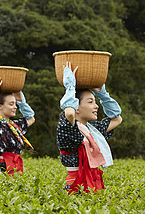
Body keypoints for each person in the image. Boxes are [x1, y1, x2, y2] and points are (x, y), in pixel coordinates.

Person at [56, 61, 123, 194]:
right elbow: (69, 113)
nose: (96, 106)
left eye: (95, 102)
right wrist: (70, 87)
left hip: (93, 185)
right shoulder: (68, 128)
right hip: (76, 188)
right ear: (77, 108)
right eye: (90, 102)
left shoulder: (92, 130)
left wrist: (102, 95)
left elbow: (117, 118)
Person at [0, 76, 36, 176]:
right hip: (1, 172)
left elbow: (31, 118)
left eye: (15, 104)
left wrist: (21, 102)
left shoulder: (15, 126)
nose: (15, 107)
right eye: (11, 104)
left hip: (15, 169)